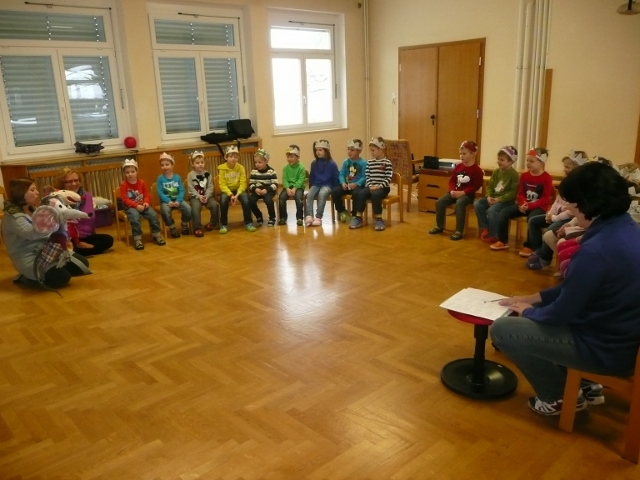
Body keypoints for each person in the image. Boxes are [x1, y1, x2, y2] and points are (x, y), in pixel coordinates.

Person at [490, 161, 640, 416]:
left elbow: (561, 313)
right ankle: (586, 384)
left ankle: (556, 396)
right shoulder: (626, 229)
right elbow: (579, 289)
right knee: (530, 311)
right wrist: (535, 297)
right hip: (622, 338)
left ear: (590, 204)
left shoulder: (597, 251)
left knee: (503, 330)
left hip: (604, 349)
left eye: (572, 203)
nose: (569, 208)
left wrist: (528, 311)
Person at [2, 177, 90, 288]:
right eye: (32, 190)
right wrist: (56, 220)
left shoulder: (32, 209)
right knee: (62, 278)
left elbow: (48, 231)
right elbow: (33, 234)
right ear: (20, 193)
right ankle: (25, 276)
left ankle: (51, 269)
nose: (37, 193)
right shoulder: (13, 217)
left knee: (82, 264)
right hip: (29, 257)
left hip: (46, 251)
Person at [525, 151, 588, 269]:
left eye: (567, 167)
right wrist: (550, 213)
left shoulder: (580, 186)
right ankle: (538, 250)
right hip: (556, 215)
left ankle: (545, 259)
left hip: (569, 217)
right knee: (533, 221)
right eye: (564, 166)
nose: (564, 169)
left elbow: (571, 210)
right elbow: (557, 201)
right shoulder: (566, 181)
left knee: (550, 229)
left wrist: (555, 218)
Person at [489, 147, 554, 251]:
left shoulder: (546, 178)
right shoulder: (524, 176)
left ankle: (530, 246)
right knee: (503, 213)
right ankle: (502, 241)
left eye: (532, 161)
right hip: (524, 205)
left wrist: (530, 205)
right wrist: (523, 203)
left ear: (541, 163)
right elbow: (520, 194)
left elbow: (546, 199)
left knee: (532, 219)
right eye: (527, 160)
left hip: (539, 207)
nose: (528, 163)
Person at [429, 140, 484, 240]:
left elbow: (476, 186)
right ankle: (439, 226)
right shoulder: (458, 166)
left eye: (464, 154)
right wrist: (452, 190)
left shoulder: (477, 170)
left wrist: (463, 192)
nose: (461, 156)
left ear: (472, 154)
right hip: (454, 192)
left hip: (467, 195)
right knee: (440, 202)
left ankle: (459, 231)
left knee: (460, 204)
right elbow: (452, 181)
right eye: (460, 154)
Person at [54, 167, 114, 256]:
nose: (74, 184)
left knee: (108, 240)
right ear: (62, 184)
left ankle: (78, 251)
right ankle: (77, 250)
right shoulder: (57, 200)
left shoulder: (87, 196)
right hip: (69, 239)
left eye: (76, 180)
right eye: (69, 181)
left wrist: (93, 236)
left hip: (86, 236)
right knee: (68, 247)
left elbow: (92, 220)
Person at [474, 146, 519, 243]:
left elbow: (512, 193)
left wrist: (499, 199)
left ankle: (494, 234)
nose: (499, 161)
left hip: (506, 201)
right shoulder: (496, 172)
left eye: (502, 160)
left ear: (511, 161)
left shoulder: (514, 175)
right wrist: (489, 196)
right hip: (494, 198)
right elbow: (490, 187)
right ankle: (485, 227)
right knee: (478, 204)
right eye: (498, 159)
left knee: (492, 210)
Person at [119, 158, 166, 250]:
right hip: (131, 206)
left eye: (132, 171)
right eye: (127, 172)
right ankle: (137, 239)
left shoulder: (142, 182)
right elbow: (125, 199)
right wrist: (136, 206)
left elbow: (146, 195)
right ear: (124, 173)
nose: (130, 174)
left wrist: (146, 202)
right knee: (135, 218)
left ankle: (156, 235)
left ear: (137, 171)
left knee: (153, 215)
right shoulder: (124, 185)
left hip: (143, 205)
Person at [349, 137, 393, 231]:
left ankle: (379, 219)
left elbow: (388, 178)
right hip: (371, 186)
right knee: (361, 194)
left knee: (376, 195)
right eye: (371, 151)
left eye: (373, 150)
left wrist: (379, 186)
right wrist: (369, 185)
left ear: (381, 149)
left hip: (383, 187)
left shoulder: (387, 163)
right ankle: (358, 217)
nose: (372, 153)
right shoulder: (370, 163)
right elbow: (367, 176)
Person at [217, 145, 256, 233]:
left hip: (239, 190)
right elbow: (222, 185)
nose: (233, 159)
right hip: (227, 191)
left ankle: (248, 222)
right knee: (223, 201)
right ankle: (223, 224)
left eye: (235, 156)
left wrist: (237, 195)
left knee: (246, 200)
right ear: (225, 157)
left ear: (238, 157)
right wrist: (231, 195)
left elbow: (243, 184)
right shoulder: (222, 169)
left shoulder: (241, 168)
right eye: (231, 156)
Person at [156, 152, 191, 238]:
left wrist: (179, 201)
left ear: (172, 165)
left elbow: (182, 190)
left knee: (188, 209)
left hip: (178, 200)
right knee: (165, 211)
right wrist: (168, 201)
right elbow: (159, 192)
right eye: (162, 165)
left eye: (167, 164)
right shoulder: (160, 178)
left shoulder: (177, 177)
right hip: (166, 201)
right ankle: (172, 227)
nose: (165, 167)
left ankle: (184, 224)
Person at [304, 139, 339, 227]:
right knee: (309, 195)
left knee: (322, 194)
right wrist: (311, 186)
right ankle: (309, 216)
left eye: (320, 150)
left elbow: (335, 177)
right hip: (316, 184)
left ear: (326, 151)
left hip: (327, 185)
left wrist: (334, 188)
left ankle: (318, 217)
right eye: (316, 150)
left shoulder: (332, 163)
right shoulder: (314, 163)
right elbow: (311, 176)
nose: (318, 152)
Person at [331, 139, 367, 223]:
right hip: (347, 185)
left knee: (357, 194)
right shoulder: (345, 162)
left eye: (352, 150)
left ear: (359, 151)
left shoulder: (363, 163)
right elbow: (341, 174)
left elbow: (364, 177)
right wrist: (343, 182)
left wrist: (356, 184)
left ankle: (355, 215)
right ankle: (342, 211)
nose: (349, 152)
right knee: (335, 192)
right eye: (348, 149)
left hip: (357, 186)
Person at [187, 151, 219, 237]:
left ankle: (213, 223)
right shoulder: (190, 175)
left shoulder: (208, 174)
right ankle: (197, 228)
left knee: (214, 205)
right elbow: (190, 188)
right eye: (197, 163)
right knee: (195, 207)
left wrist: (207, 196)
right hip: (195, 197)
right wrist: (199, 196)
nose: (200, 164)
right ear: (192, 164)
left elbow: (210, 187)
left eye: (202, 162)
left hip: (207, 196)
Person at [278, 145, 306, 226]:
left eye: (291, 157)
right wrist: (287, 188)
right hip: (288, 187)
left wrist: (294, 188)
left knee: (298, 198)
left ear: (298, 157)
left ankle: (299, 217)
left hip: (298, 187)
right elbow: (284, 179)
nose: (289, 159)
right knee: (282, 198)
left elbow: (301, 180)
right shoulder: (285, 168)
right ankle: (283, 217)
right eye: (288, 157)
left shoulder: (301, 168)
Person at [248, 148, 278, 227]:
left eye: (260, 162)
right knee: (250, 201)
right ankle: (258, 216)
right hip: (257, 190)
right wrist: (255, 189)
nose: (257, 164)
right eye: (256, 162)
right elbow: (251, 184)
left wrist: (267, 190)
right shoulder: (254, 172)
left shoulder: (271, 171)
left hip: (268, 190)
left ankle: (272, 218)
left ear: (266, 161)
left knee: (268, 201)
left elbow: (275, 184)